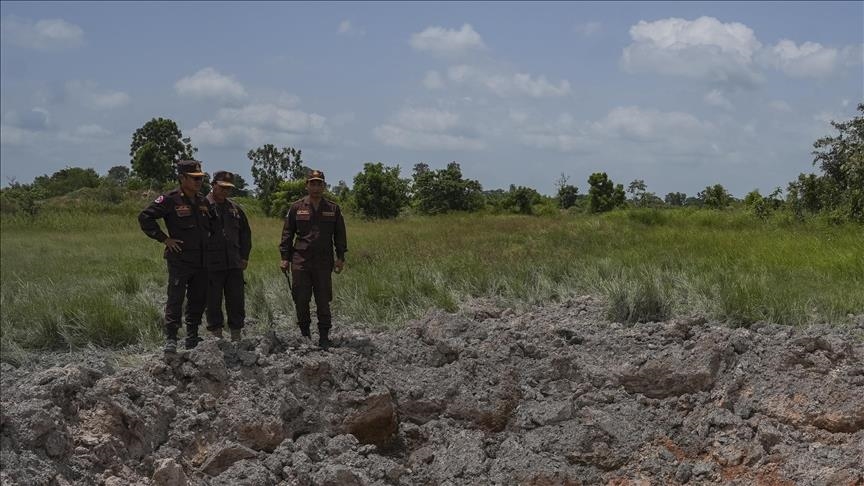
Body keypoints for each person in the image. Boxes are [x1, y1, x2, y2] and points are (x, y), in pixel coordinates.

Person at [138, 160, 212, 353]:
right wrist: (165, 239)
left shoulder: (203, 200)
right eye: (194, 178)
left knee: (198, 298)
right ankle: (171, 338)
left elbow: (212, 226)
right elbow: (145, 217)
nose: (199, 181)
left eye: (201, 178)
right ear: (182, 178)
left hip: (202, 260)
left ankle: (192, 336)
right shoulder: (170, 199)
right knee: (176, 298)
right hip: (180, 259)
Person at [279, 169, 347, 350]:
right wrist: (285, 258)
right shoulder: (296, 207)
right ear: (306, 185)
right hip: (301, 259)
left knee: (323, 299)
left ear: (324, 186)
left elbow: (340, 235)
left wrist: (340, 257)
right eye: (312, 183)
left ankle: (324, 337)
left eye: (319, 183)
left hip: (324, 262)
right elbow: (287, 234)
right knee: (301, 298)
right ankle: (305, 335)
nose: (316, 187)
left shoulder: (333, 208)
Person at [205, 171, 251, 342]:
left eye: (229, 188)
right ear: (213, 184)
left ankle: (236, 335)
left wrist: (244, 257)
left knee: (236, 300)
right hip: (211, 264)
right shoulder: (202, 206)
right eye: (222, 187)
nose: (225, 191)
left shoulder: (235, 209)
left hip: (233, 263)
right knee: (213, 300)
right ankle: (216, 336)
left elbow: (245, 234)